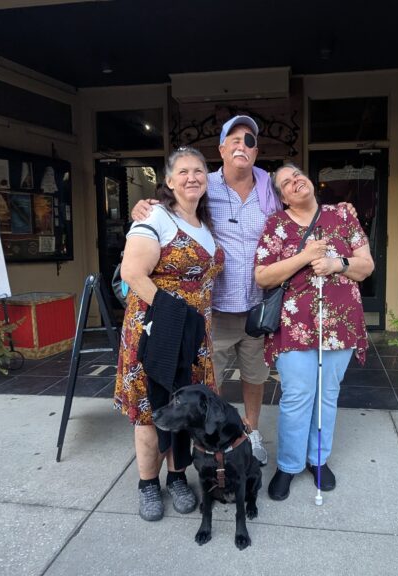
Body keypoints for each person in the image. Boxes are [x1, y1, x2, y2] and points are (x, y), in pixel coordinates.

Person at [132, 115, 279, 466]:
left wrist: (339, 210)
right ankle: (210, 441)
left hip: (259, 306)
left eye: (250, 141)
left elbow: (302, 206)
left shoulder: (269, 188)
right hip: (216, 307)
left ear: (256, 152)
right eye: (235, 139)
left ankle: (251, 433)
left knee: (255, 376)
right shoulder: (202, 183)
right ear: (222, 148)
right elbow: (169, 209)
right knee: (207, 381)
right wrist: (141, 206)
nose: (242, 146)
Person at [114, 147, 224, 521]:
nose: (192, 177)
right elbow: (132, 273)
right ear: (169, 180)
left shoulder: (204, 225)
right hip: (156, 330)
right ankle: (148, 484)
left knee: (186, 409)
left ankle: (177, 476)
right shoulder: (156, 217)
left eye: (199, 171)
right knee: (151, 410)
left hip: (193, 337)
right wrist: (175, 314)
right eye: (183, 171)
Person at [253, 163, 374, 501]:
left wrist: (339, 264)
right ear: (282, 198)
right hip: (294, 326)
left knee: (327, 394)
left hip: (341, 325)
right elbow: (262, 276)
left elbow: (366, 267)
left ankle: (317, 460)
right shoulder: (276, 226)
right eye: (286, 183)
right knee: (296, 396)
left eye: (297, 176)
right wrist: (304, 257)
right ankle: (289, 465)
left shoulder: (342, 216)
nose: (295, 182)